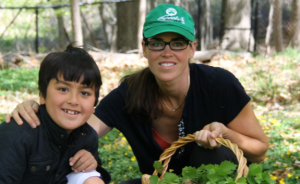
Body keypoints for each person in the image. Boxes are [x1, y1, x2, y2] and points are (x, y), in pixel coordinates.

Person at [6, 4, 269, 183]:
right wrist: (39, 108)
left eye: (177, 43)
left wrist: (226, 133)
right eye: (157, 43)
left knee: (214, 153)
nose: (167, 52)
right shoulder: (130, 92)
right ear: (144, 47)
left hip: (209, 178)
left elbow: (260, 150)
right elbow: (78, 124)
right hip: (156, 181)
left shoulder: (218, 85)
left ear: (192, 49)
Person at [0, 45, 111, 184]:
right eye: (63, 89)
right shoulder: (18, 135)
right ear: (42, 95)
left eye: (84, 93)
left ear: (94, 102)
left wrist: (90, 164)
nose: (73, 101)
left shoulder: (87, 136)